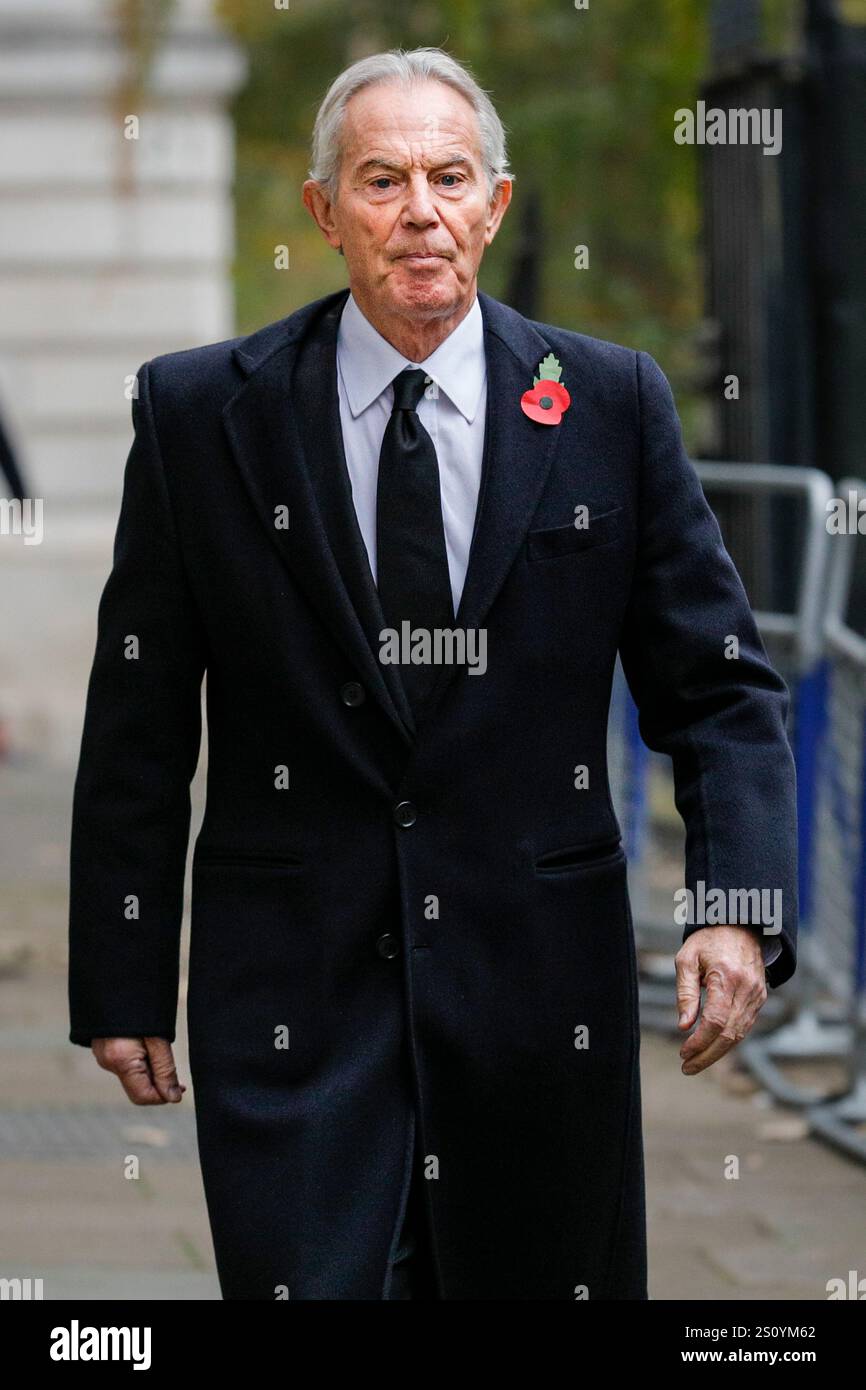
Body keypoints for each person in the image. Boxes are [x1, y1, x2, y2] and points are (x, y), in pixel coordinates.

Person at [68, 46, 797, 1301]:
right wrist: (123, 972)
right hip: (291, 995)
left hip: (532, 995)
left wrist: (736, 905)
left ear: (494, 203)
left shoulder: (609, 405)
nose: (419, 211)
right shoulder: (199, 416)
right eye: (380, 179)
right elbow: (138, 719)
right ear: (322, 211)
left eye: (449, 177)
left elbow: (719, 684)